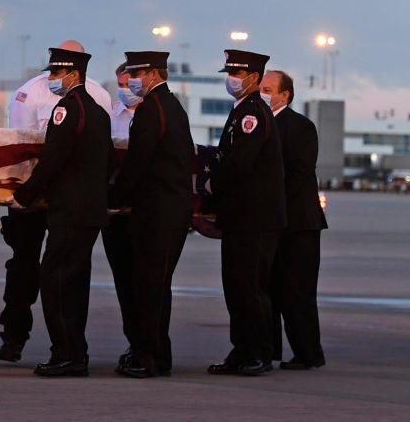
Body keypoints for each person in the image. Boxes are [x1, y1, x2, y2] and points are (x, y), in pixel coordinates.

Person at [0, 40, 113, 362]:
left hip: (63, 205)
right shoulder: (95, 107)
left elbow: (52, 160)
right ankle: (70, 350)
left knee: (57, 281)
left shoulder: (67, 108)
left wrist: (24, 195)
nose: (53, 76)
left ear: (73, 73)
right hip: (86, 208)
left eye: (58, 71)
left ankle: (66, 354)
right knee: (68, 280)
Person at [110, 51, 195, 378]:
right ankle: (158, 354)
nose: (132, 80)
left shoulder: (151, 111)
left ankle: (147, 357)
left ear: (152, 74)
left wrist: (115, 199)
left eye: (136, 73)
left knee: (148, 286)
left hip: (158, 212)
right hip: (169, 210)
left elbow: (137, 164)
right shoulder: (171, 107)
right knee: (156, 285)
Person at [208, 49, 287, 377]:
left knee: (251, 286)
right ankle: (241, 350)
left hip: (255, 218)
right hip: (241, 217)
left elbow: (240, 163)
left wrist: (211, 180)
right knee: (236, 286)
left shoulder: (252, 113)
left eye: (237, 74)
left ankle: (259, 352)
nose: (232, 79)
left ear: (253, 78)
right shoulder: (242, 110)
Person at [261, 70, 328, 370]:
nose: (261, 92)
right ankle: (269, 349)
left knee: (297, 292)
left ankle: (308, 353)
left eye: (267, 88)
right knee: (267, 288)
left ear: (284, 95)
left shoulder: (301, 127)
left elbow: (299, 174)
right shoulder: (258, 124)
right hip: (271, 222)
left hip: (299, 224)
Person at [101, 61, 143, 368]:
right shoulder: (108, 115)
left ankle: (147, 343)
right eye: (122, 83)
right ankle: (133, 339)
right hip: (114, 211)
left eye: (131, 83)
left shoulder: (153, 114)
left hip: (141, 211)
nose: (126, 89)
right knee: (123, 282)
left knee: (145, 281)